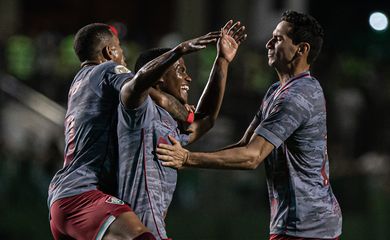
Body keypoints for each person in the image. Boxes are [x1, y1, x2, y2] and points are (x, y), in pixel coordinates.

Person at [157, 10, 342, 240]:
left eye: (278, 39)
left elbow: (252, 156)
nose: (268, 43)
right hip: (296, 224)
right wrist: (223, 60)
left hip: (308, 228)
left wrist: (187, 158)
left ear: (301, 49)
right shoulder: (277, 91)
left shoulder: (298, 96)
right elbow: (244, 144)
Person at [47, 23, 195, 240]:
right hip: (83, 194)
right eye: (121, 51)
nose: (124, 59)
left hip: (63, 200)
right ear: (109, 52)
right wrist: (186, 114)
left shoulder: (78, 83)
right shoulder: (107, 69)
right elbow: (139, 87)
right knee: (140, 236)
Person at [116, 21, 247, 239]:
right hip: (136, 231)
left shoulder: (171, 126)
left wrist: (222, 60)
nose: (188, 78)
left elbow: (206, 120)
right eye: (180, 70)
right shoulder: (139, 112)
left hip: (152, 229)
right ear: (158, 77)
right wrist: (179, 50)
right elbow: (138, 83)